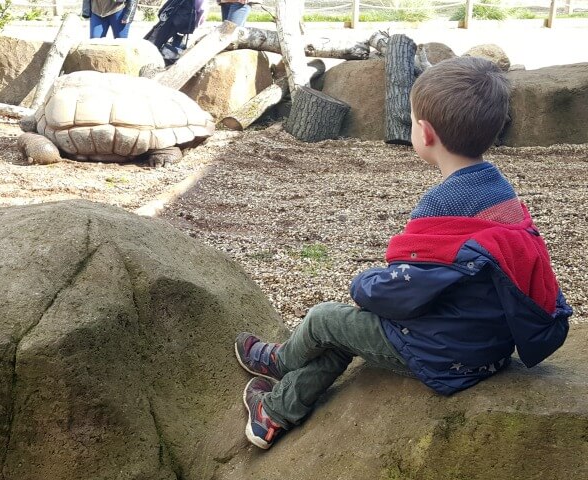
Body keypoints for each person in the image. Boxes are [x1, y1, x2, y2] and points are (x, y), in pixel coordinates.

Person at [234, 56, 573, 450]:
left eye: (411, 120)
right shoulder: (501, 198)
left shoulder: (442, 212)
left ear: (425, 133)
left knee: (326, 318)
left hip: (440, 354)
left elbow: (401, 291)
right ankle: (272, 416)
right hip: (487, 348)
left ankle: (281, 362)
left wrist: (362, 284)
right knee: (346, 338)